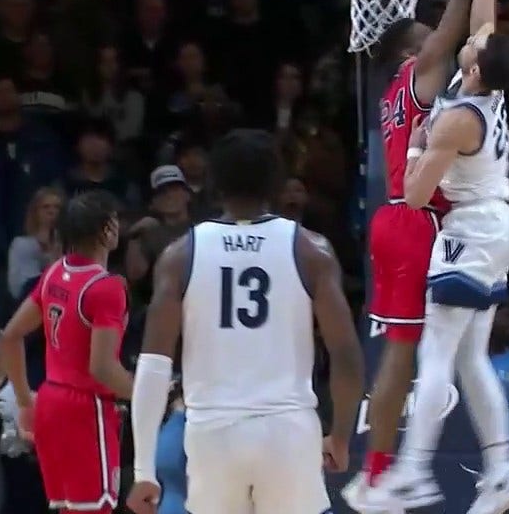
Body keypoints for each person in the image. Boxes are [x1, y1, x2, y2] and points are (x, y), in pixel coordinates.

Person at [361, 0, 509, 514]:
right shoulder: (477, 77)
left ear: (474, 62)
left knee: (438, 351)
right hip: (494, 225)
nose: (453, 43)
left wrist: (413, 151)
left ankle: (409, 472)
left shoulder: (457, 109)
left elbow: (411, 195)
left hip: (471, 228)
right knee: (467, 358)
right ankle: (501, 472)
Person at [126, 129, 364, 514]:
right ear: (275, 182)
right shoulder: (311, 250)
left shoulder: (179, 255)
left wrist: (143, 470)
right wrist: (340, 435)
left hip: (213, 433)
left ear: (215, 183)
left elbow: (153, 366)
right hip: (287, 429)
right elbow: (346, 355)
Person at [349, 0, 485, 504]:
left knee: (428, 346)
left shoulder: (398, 92)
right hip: (414, 221)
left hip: (403, 220)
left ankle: (388, 466)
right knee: (416, 350)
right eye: (430, 41)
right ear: (413, 53)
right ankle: (392, 470)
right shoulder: (418, 74)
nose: (442, 45)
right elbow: (461, 2)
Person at [0, 190, 130, 514]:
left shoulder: (55, 272)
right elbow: (102, 368)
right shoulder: (106, 287)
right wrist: (149, 393)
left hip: (50, 402)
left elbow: (10, 336)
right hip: (86, 409)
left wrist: (25, 401)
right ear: (107, 230)